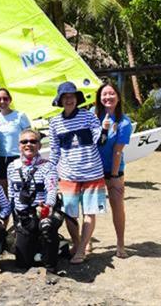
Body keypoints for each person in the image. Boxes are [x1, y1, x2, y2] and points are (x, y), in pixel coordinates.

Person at [48, 81, 106, 265]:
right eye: (65, 97)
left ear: (77, 99)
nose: (69, 100)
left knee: (89, 212)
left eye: (72, 96)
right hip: (67, 174)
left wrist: (104, 129)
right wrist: (50, 170)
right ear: (60, 100)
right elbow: (55, 150)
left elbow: (99, 139)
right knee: (70, 213)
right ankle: (78, 243)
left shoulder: (88, 117)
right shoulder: (55, 122)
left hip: (92, 172)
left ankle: (81, 250)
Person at [7, 129, 61, 282]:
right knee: (23, 263)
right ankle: (36, 246)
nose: (28, 144)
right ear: (19, 145)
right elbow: (11, 193)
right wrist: (15, 219)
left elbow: (51, 190)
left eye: (33, 141)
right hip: (24, 217)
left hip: (42, 213)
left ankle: (51, 268)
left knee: (47, 226)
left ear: (39, 145)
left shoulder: (47, 166)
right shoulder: (12, 167)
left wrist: (47, 207)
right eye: (24, 142)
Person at [95, 82, 133, 259]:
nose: (108, 97)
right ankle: (86, 242)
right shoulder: (93, 117)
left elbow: (118, 150)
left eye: (111, 94)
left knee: (117, 204)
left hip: (113, 169)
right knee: (90, 207)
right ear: (99, 98)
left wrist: (114, 174)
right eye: (104, 94)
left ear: (118, 97)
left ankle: (120, 244)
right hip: (92, 169)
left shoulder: (124, 122)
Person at [0, 88, 31, 193]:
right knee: (2, 189)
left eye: (5, 98)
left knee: (22, 187)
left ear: (10, 100)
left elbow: (29, 136)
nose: (2, 101)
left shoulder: (20, 116)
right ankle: (8, 209)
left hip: (18, 156)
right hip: (2, 157)